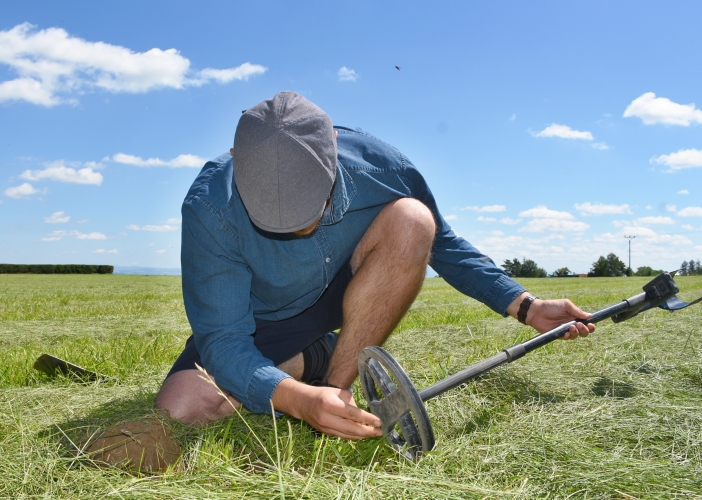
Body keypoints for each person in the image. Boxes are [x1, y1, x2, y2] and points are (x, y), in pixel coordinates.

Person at [155, 91, 595, 439]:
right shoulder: (209, 207)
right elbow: (225, 339)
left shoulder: (382, 165)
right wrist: (295, 401)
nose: (297, 229)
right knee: (182, 405)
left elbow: (443, 245)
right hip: (263, 319)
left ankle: (337, 386)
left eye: (312, 205)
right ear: (235, 157)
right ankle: (313, 361)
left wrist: (525, 305)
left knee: (412, 220)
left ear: (333, 149)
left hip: (345, 290)